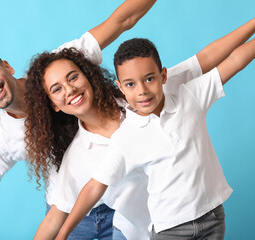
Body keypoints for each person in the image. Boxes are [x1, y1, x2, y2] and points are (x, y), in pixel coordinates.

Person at [0, 1, 158, 239]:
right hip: (67, 214)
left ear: (7, 66)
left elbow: (122, 20)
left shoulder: (58, 70)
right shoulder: (2, 138)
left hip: (125, 201)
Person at [24, 18, 255, 239]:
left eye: (73, 77)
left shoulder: (145, 91)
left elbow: (207, 58)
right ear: (52, 104)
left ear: (88, 76)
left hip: (199, 214)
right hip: (138, 231)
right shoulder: (85, 152)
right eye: (57, 89)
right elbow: (59, 214)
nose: (69, 89)